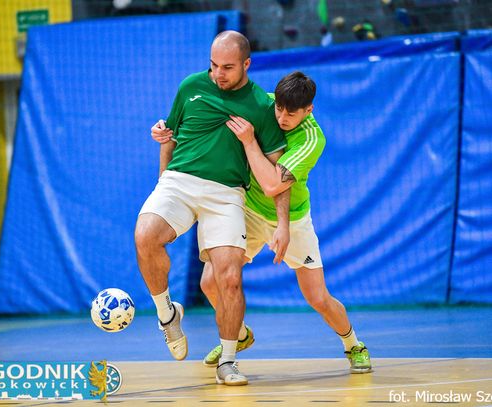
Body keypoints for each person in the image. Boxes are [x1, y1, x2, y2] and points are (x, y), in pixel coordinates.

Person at [154, 71, 372, 374]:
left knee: (318, 297)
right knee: (209, 282)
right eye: (279, 109)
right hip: (248, 211)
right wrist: (167, 131)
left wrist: (249, 142)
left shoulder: (312, 138)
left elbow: (273, 184)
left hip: (292, 220)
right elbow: (204, 118)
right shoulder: (262, 105)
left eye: (291, 113)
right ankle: (238, 333)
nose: (281, 118)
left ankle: (353, 344)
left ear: (308, 110)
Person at [135, 30, 289, 386]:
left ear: (246, 64)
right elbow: (169, 136)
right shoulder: (191, 86)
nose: (218, 73)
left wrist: (283, 223)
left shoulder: (261, 106)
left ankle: (228, 361)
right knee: (145, 236)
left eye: (228, 67)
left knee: (229, 278)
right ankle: (167, 314)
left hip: (226, 193)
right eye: (213, 65)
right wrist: (162, 183)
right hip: (179, 181)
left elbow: (279, 171)